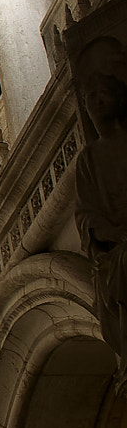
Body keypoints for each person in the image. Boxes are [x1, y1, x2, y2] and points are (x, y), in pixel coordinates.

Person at [72, 34, 127, 389]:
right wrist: (112, 233)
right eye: (89, 98)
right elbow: (85, 215)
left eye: (102, 93)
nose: (95, 102)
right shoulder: (89, 158)